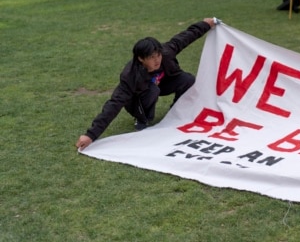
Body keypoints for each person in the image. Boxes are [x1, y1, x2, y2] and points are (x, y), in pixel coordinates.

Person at [76, 17, 220, 151]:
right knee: (152, 91)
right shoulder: (130, 76)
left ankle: (177, 112)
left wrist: (207, 23)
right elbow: (114, 104)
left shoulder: (166, 52)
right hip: (139, 97)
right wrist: (91, 135)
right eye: (151, 58)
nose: (157, 60)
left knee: (188, 79)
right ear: (141, 59)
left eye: (158, 55)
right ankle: (142, 118)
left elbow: (186, 36)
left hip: (161, 84)